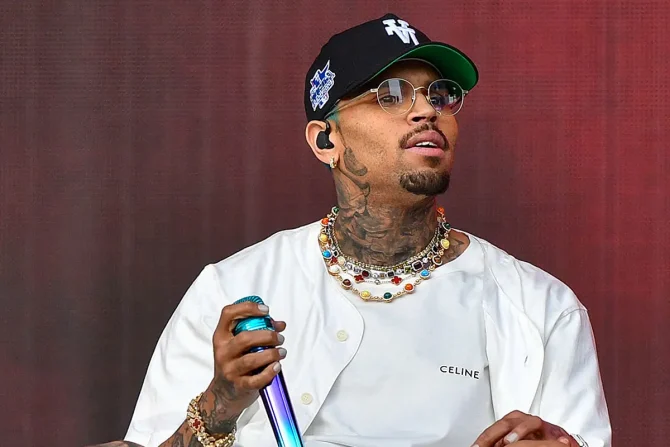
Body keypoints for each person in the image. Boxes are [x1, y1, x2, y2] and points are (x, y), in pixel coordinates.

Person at [92, 13, 611, 447]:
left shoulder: (541, 307)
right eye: (390, 94)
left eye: (440, 95)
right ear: (326, 141)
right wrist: (220, 405)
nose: (426, 110)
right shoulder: (233, 288)